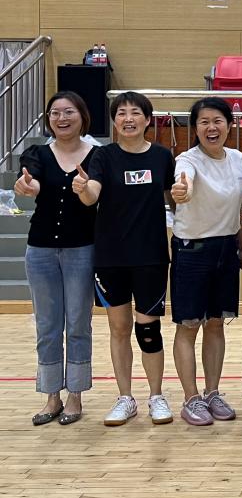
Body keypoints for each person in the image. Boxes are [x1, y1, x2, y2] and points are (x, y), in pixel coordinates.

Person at [72, 91, 176, 426]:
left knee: (149, 329)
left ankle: (156, 396)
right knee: (119, 328)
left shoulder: (162, 156)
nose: (128, 119)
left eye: (135, 113)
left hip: (151, 256)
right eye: (121, 113)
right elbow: (93, 195)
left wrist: (184, 195)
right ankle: (125, 398)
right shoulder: (103, 156)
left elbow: (174, 198)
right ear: (114, 120)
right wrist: (83, 188)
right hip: (111, 257)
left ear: (148, 120)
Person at [16, 91, 97, 426]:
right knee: (47, 326)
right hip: (40, 251)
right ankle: (52, 396)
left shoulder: (97, 155)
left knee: (78, 324)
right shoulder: (37, 153)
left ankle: (75, 395)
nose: (61, 118)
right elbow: (31, 178)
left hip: (82, 249)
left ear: (82, 116)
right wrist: (28, 186)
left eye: (68, 112)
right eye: (55, 113)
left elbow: (97, 195)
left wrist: (85, 188)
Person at [169, 98, 242, 426]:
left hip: (226, 250)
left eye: (218, 120)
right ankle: (191, 398)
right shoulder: (186, 160)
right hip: (192, 251)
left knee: (216, 323)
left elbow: (238, 208)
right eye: (204, 122)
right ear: (195, 128)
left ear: (229, 125)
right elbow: (183, 185)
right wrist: (182, 191)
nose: (211, 127)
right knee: (189, 325)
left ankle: (212, 392)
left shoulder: (238, 158)